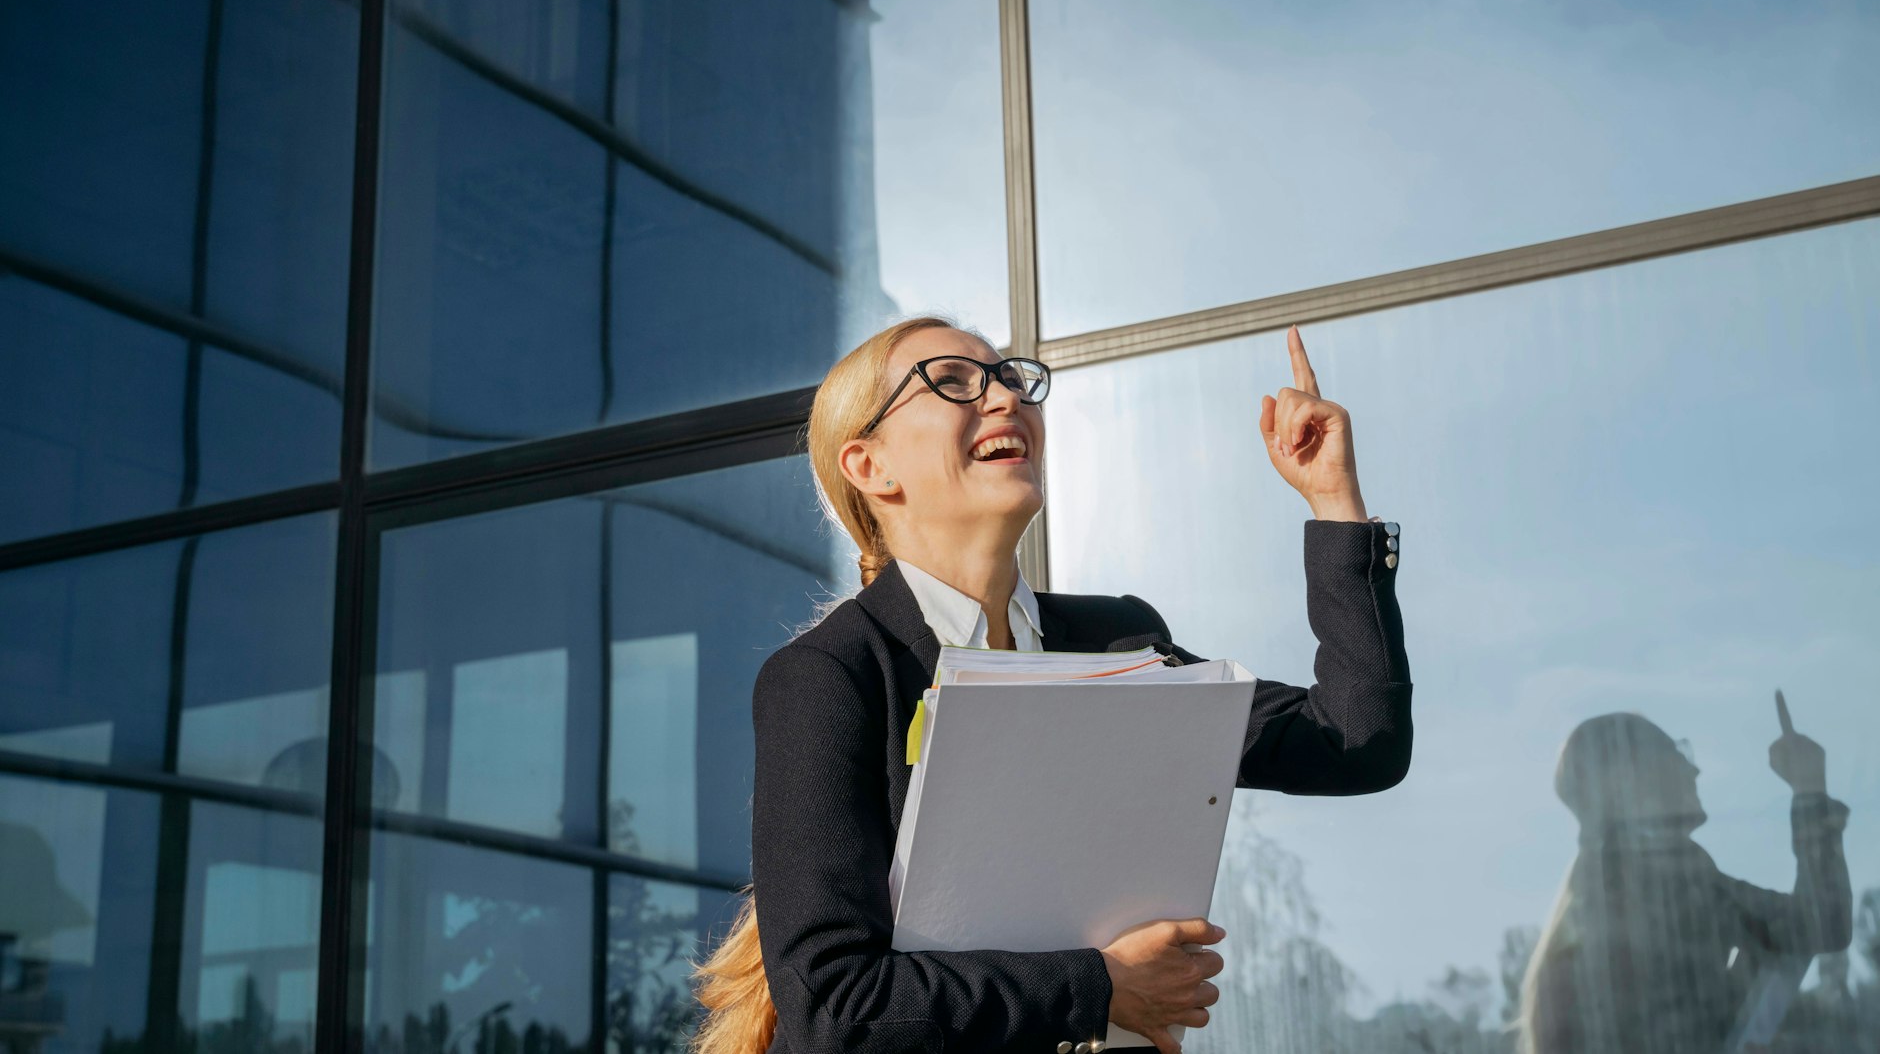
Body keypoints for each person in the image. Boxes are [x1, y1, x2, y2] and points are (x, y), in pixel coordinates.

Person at [690, 314, 1413, 1054]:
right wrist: (1100, 987)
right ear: (871, 466)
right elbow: (836, 1010)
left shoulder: (1119, 640)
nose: (1005, 396)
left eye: (1009, 376)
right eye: (953, 382)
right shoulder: (830, 676)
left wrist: (1334, 502)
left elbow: (1357, 741)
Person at [1518, 701, 1853, 1053]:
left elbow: (1819, 926)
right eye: (1674, 753)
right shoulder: (1672, 883)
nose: (1693, 769)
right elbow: (1820, 923)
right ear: (1624, 780)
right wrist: (1809, 788)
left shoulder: (1613, 888)